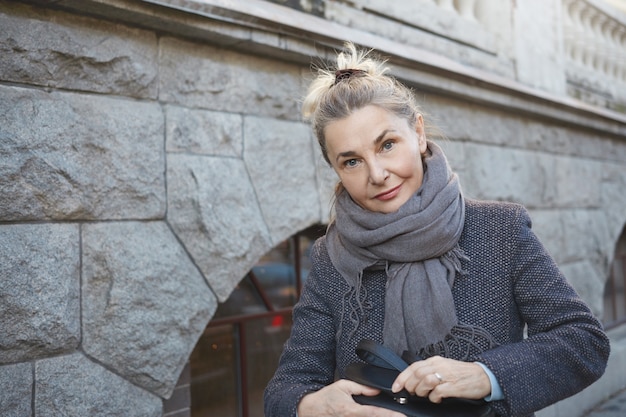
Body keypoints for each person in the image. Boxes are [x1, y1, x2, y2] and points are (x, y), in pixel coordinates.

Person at [264, 42, 610, 417]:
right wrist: (310, 405)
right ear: (336, 169)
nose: (377, 174)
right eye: (351, 161)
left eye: (387, 145)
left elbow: (583, 341)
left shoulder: (500, 229)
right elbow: (285, 388)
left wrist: (485, 375)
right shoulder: (331, 257)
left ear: (419, 133)